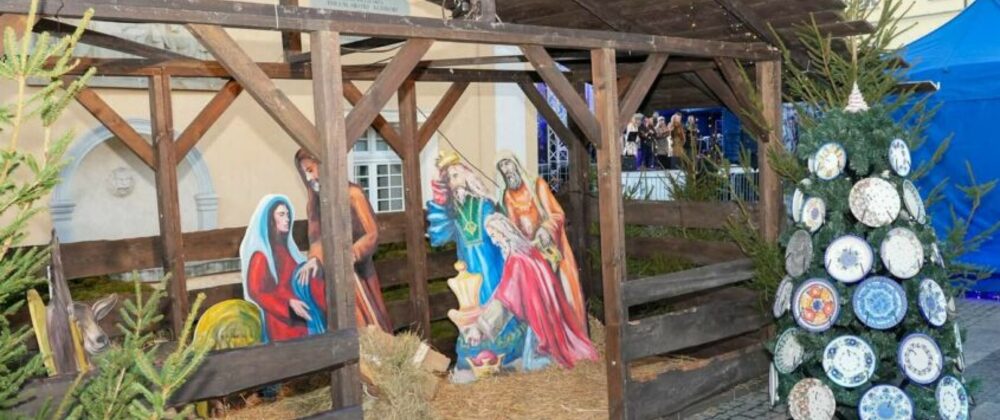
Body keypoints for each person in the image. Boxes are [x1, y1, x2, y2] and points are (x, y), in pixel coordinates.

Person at [427, 151, 524, 373]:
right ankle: (477, 352)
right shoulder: (453, 212)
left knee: (496, 302)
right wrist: (439, 197)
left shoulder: (485, 204)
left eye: (456, 175)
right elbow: (438, 237)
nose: (453, 182)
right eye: (449, 179)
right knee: (473, 306)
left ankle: (505, 353)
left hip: (492, 266)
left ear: (467, 175)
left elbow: (502, 234)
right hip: (469, 268)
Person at [465, 214, 599, 369]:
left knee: (532, 363)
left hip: (541, 320)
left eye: (495, 236)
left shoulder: (517, 260)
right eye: (491, 237)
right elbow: (506, 290)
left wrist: (481, 327)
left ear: (504, 233)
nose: (495, 241)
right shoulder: (528, 251)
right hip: (549, 314)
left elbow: (505, 300)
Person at [294, 150, 392, 332]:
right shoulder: (314, 203)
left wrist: (352, 254)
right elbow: (316, 238)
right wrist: (314, 259)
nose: (309, 177)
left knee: (372, 324)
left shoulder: (353, 194)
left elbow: (372, 233)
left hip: (361, 274)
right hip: (333, 277)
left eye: (311, 170)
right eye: (305, 173)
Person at [495, 154, 586, 328]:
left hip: (551, 247)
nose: (506, 170)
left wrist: (545, 229)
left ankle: (563, 328)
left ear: (516, 163)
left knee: (560, 289)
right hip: (530, 251)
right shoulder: (508, 196)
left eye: (507, 164)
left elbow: (557, 214)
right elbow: (514, 226)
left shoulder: (537, 185)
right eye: (502, 167)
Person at [240, 195, 326, 342]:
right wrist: (288, 305)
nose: (287, 219)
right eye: (281, 214)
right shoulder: (261, 256)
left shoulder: (285, 248)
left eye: (288, 214)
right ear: (270, 219)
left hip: (300, 312)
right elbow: (256, 292)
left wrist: (313, 263)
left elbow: (295, 275)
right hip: (282, 320)